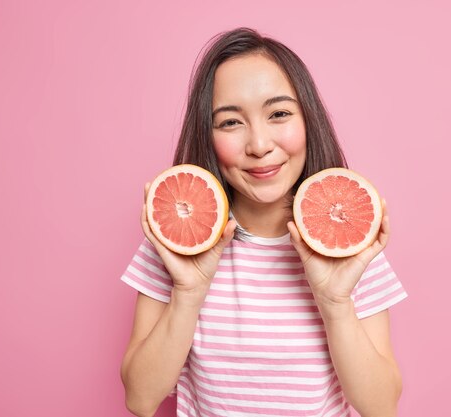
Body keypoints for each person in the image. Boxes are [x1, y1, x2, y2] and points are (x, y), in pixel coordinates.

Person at [120, 27, 408, 417]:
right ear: (207, 136)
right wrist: (188, 293)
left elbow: (380, 407)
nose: (258, 145)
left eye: (279, 114)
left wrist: (335, 303)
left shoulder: (350, 246)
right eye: (230, 122)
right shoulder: (176, 242)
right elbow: (140, 399)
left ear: (309, 121)